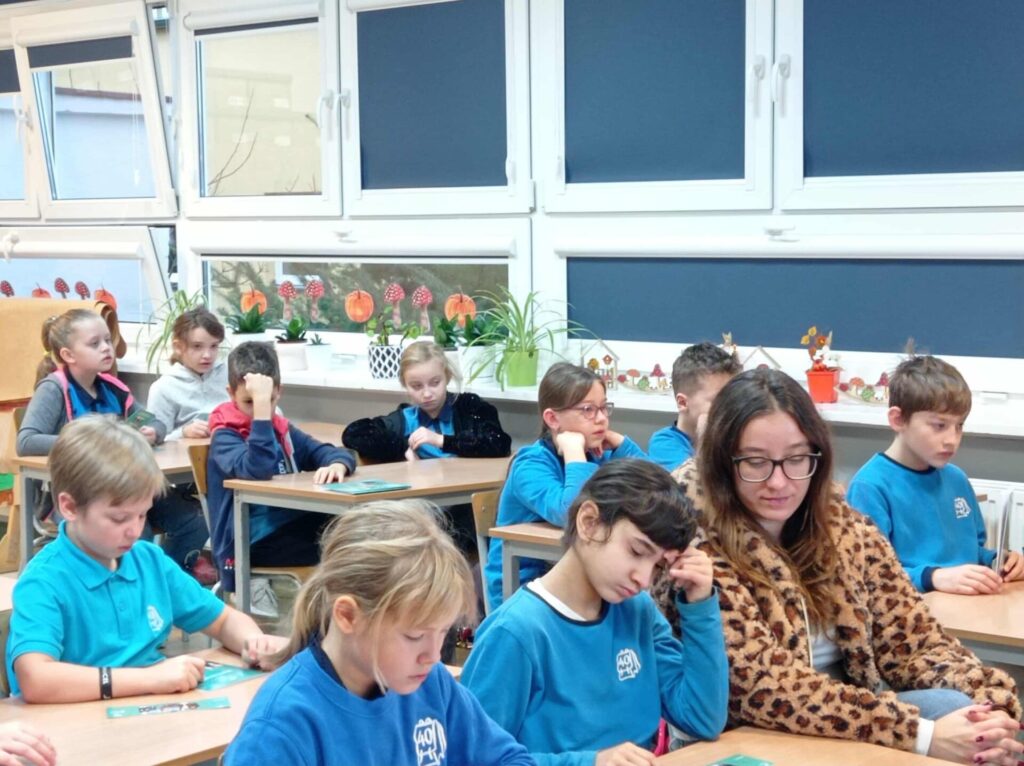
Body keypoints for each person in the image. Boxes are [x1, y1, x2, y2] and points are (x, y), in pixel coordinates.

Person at [651, 369, 1022, 764]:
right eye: (756, 462)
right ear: (722, 462)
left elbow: (915, 641)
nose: (779, 482)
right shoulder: (688, 537)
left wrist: (991, 702)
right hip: (748, 734)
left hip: (850, 721)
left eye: (797, 459)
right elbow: (760, 688)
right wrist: (919, 734)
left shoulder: (841, 526)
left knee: (970, 715)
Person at [224, 500, 535, 766]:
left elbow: (509, 759)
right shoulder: (281, 727)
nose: (433, 656)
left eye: (443, 632)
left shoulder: (431, 683)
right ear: (348, 616)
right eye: (414, 636)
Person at [463, 460, 728, 766]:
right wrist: (589, 762)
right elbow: (472, 758)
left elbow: (702, 718)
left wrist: (699, 605)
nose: (644, 579)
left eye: (658, 566)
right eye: (637, 551)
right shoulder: (515, 632)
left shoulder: (638, 611)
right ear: (588, 522)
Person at [6, 416, 287, 702]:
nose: (135, 530)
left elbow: (223, 620)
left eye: (142, 514)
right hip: (74, 722)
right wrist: (149, 679)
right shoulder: (44, 581)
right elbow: (36, 679)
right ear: (69, 507)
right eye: (119, 518)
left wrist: (253, 642)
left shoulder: (148, 561)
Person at [15, 308, 209, 579]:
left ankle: (161, 582)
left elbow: (156, 422)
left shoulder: (113, 387)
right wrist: (95, 440)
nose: (107, 348)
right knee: (134, 534)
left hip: (128, 485)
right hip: (80, 493)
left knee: (195, 521)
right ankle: (131, 585)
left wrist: (152, 432)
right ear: (68, 355)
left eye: (107, 340)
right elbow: (26, 441)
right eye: (95, 344)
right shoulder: (54, 389)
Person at [848, 355, 1024, 593]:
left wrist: (999, 561)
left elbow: (971, 552)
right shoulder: (870, 487)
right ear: (898, 419)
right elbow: (866, 575)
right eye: (939, 425)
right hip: (912, 611)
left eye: (959, 426)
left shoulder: (957, 479)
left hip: (965, 606)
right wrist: (933, 577)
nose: (952, 439)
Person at [483, 362, 646, 610]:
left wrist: (622, 444)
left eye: (604, 408)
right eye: (588, 410)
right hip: (523, 591)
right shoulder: (530, 464)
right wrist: (573, 452)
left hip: (577, 582)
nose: (601, 419)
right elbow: (571, 513)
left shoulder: (596, 455)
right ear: (552, 418)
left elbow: (659, 491)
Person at [206, 341, 357, 603]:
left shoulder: (282, 429)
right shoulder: (225, 437)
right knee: (348, 542)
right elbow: (258, 469)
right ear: (231, 394)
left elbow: (328, 452)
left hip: (287, 527)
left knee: (358, 528)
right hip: (249, 543)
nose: (259, 409)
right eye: (250, 402)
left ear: (279, 392)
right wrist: (262, 413)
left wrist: (337, 464)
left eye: (268, 401)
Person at [342, 340, 511, 554]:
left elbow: (499, 442)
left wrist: (442, 440)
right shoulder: (406, 419)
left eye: (435, 383)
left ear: (447, 377)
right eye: (417, 386)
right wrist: (404, 449)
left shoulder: (469, 407)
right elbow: (353, 433)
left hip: (468, 502)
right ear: (405, 385)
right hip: (424, 506)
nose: (427, 393)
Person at [647, 341, 741, 473]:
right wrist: (705, 437)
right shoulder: (664, 444)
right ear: (682, 403)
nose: (729, 408)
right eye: (718, 401)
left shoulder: (730, 437)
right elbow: (694, 481)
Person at [146, 307, 228, 440]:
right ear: (178, 347)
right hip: (188, 451)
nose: (207, 355)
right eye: (197, 346)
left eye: (214, 346)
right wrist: (183, 433)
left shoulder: (229, 375)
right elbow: (156, 440)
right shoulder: (163, 388)